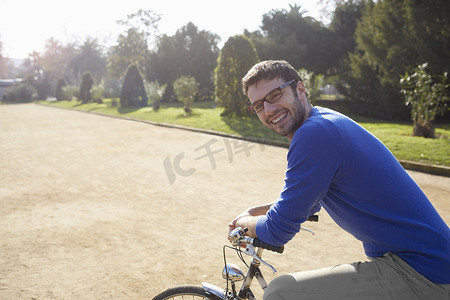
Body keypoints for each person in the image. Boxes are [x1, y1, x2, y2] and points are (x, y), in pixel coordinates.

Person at [229, 60, 450, 300]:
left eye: (274, 95)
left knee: (280, 292)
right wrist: (261, 211)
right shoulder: (325, 120)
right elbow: (310, 201)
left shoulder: (314, 134)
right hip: (429, 261)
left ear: (300, 90)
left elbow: (277, 230)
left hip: (423, 272)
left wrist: (245, 221)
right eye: (258, 105)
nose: (269, 109)